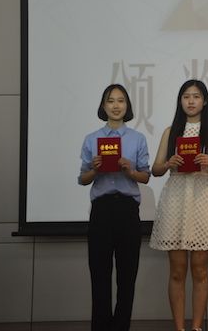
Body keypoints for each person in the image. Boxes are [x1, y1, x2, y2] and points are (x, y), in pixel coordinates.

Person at [149, 79, 208, 331]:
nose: (191, 101)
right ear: (180, 101)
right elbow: (155, 169)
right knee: (177, 271)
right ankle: (179, 327)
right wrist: (168, 164)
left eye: (196, 96)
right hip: (175, 198)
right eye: (186, 96)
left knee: (200, 270)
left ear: (204, 101)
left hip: (202, 198)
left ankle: (196, 327)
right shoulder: (170, 131)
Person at [78, 84, 150, 331]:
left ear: (127, 106)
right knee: (99, 275)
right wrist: (95, 170)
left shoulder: (137, 138)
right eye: (110, 101)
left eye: (121, 101)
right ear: (103, 106)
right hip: (102, 211)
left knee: (127, 276)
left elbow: (145, 176)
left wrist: (130, 171)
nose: (116, 105)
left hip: (128, 211)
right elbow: (82, 179)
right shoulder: (92, 139)